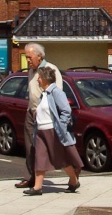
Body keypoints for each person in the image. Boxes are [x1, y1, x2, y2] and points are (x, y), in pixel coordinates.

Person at [23, 63, 82, 195]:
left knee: (61, 159)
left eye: (39, 78)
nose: (37, 80)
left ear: (44, 79)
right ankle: (37, 187)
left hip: (52, 131)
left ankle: (73, 180)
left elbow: (66, 111)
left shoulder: (56, 92)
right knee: (40, 157)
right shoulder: (43, 94)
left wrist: (61, 126)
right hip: (40, 132)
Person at [14, 43, 63, 189]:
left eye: (29, 57)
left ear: (39, 56)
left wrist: (43, 111)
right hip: (31, 112)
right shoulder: (31, 71)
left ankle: (73, 171)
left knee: (51, 148)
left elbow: (57, 93)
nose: (27, 60)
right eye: (26, 57)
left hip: (45, 115)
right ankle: (30, 178)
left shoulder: (51, 70)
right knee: (30, 147)